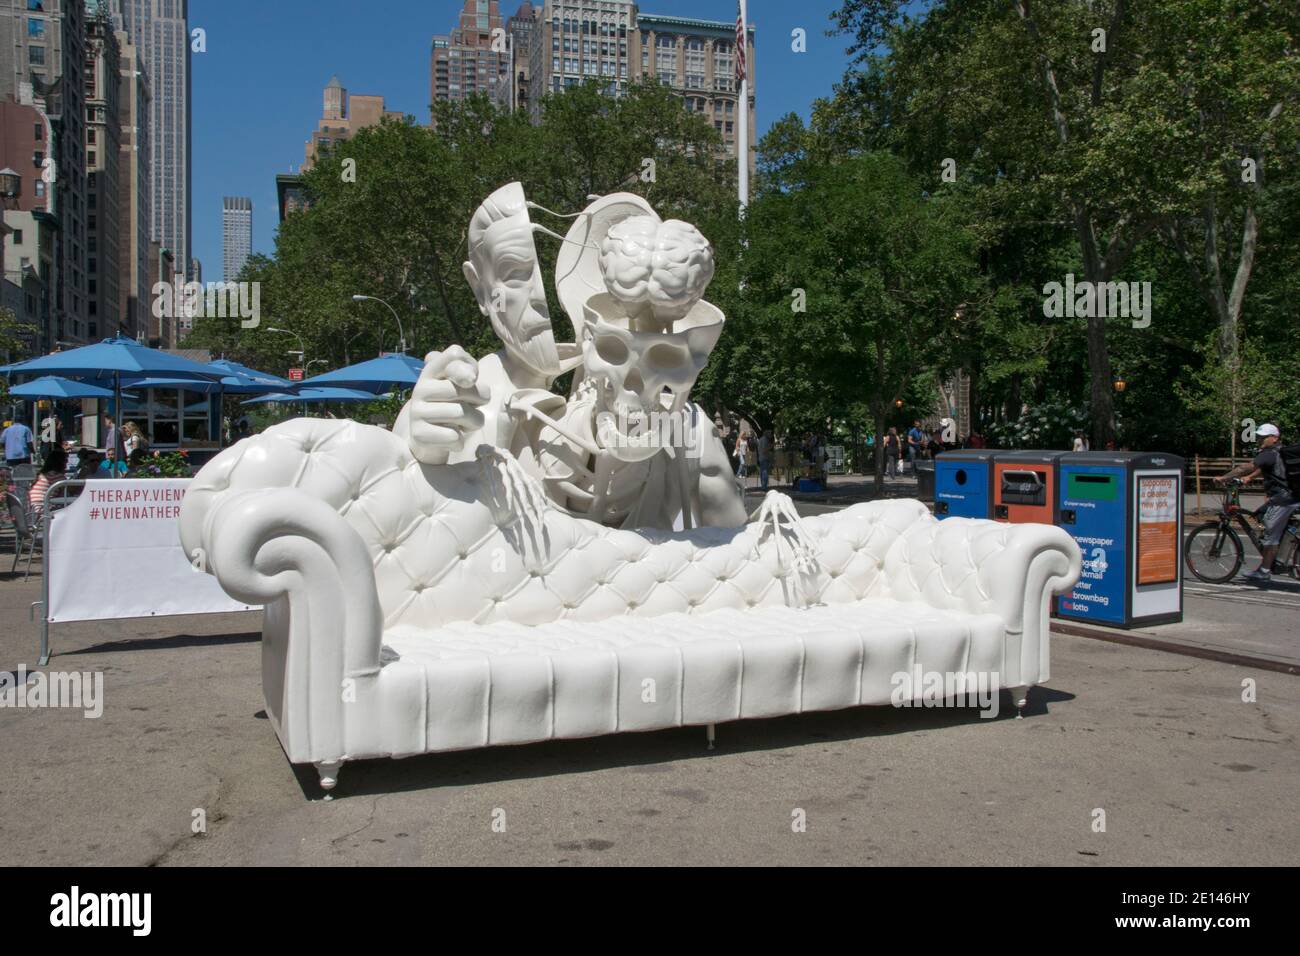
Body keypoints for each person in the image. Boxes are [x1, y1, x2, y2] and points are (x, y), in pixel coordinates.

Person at [1216, 424, 1297, 584]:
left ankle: (1264, 570)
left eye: (1263, 437)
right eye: (1259, 437)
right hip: (1291, 496)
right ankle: (1281, 544)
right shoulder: (1279, 451)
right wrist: (1250, 478)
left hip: (1282, 500)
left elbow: (1246, 467)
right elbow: (1263, 467)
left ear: (1274, 438)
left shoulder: (1268, 453)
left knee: (1270, 535)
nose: (1260, 440)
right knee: (1260, 514)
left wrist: (1223, 478)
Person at [28, 447, 67, 513]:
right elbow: (68, 493)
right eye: (65, 460)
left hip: (33, 510)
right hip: (43, 510)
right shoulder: (56, 476)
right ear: (60, 462)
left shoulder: (42, 474)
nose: (67, 462)